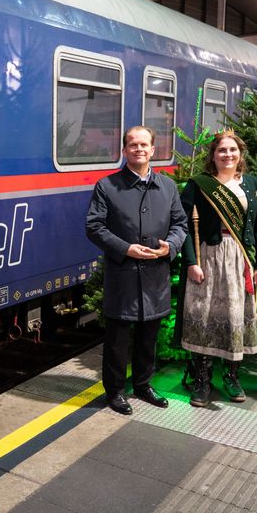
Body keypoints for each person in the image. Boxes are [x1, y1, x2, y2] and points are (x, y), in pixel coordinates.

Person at [86, 125, 188, 415]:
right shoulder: (107, 186)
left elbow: (180, 224)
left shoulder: (167, 187)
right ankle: (115, 391)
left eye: (144, 144)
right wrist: (125, 248)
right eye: (133, 144)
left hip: (156, 275)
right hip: (123, 274)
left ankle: (143, 385)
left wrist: (170, 246)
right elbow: (94, 227)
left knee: (148, 336)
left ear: (153, 150)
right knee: (117, 339)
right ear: (124, 150)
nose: (139, 149)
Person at [177, 130, 257, 407]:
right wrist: (191, 262)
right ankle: (202, 380)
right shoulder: (199, 184)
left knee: (234, 316)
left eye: (232, 150)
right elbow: (182, 225)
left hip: (240, 259)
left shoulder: (251, 184)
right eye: (222, 150)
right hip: (207, 258)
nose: (228, 155)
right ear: (213, 155)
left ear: (240, 153)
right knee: (203, 316)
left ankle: (231, 376)